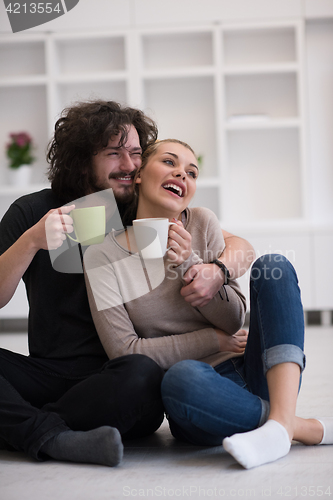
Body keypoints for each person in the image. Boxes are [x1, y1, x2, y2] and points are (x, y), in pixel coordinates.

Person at [0, 100, 255, 468]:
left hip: (123, 379)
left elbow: (241, 246)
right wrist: (31, 242)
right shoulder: (31, 211)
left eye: (136, 153)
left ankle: (19, 423)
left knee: (142, 372)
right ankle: (52, 435)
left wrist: (216, 270)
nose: (130, 165)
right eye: (114, 153)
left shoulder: (135, 206)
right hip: (48, 373)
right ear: (82, 157)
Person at [84, 138, 333, 470]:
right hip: (199, 394)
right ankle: (295, 426)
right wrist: (213, 340)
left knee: (275, 265)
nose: (182, 175)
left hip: (254, 371)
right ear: (139, 173)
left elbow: (233, 319)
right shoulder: (101, 256)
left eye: (192, 171)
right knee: (178, 378)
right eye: (170, 163)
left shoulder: (202, 222)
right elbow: (125, 351)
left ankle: (280, 420)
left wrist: (191, 264)